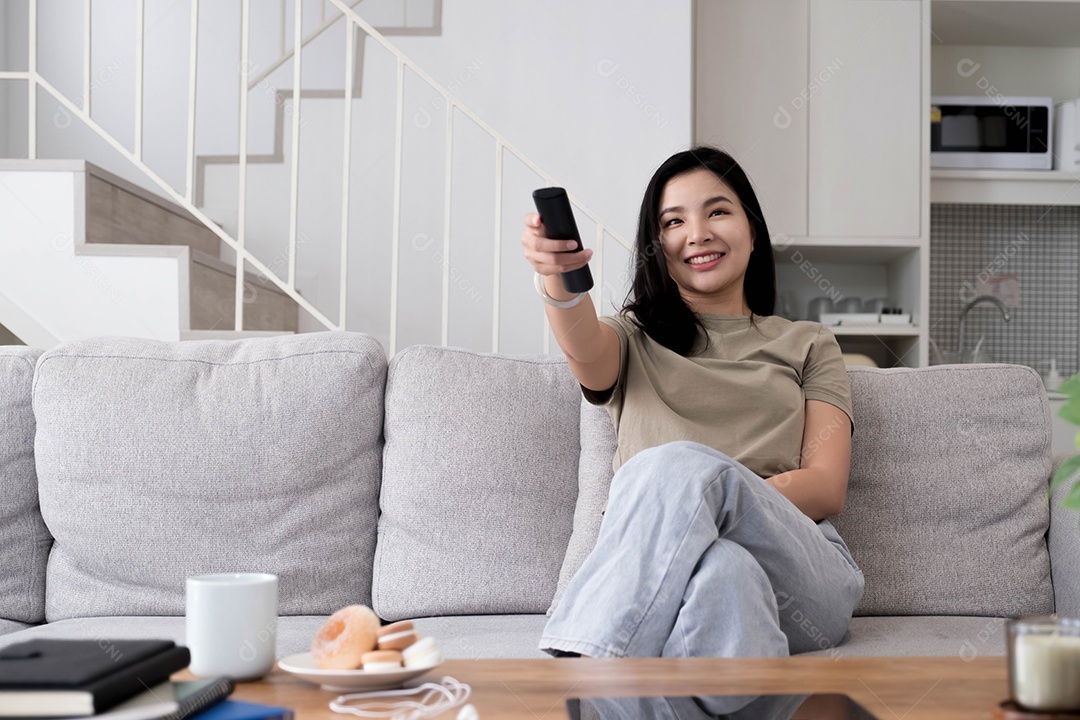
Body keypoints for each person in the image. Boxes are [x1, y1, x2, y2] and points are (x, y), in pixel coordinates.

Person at [519, 146, 865, 700]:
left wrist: (710, 491)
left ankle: (583, 674)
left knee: (680, 467)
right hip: (688, 581)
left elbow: (825, 487)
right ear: (658, 248)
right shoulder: (630, 337)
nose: (697, 233)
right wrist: (557, 278)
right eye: (673, 222)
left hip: (805, 574)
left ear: (752, 227)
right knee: (723, 575)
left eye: (718, 211)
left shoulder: (809, 344)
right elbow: (583, 346)